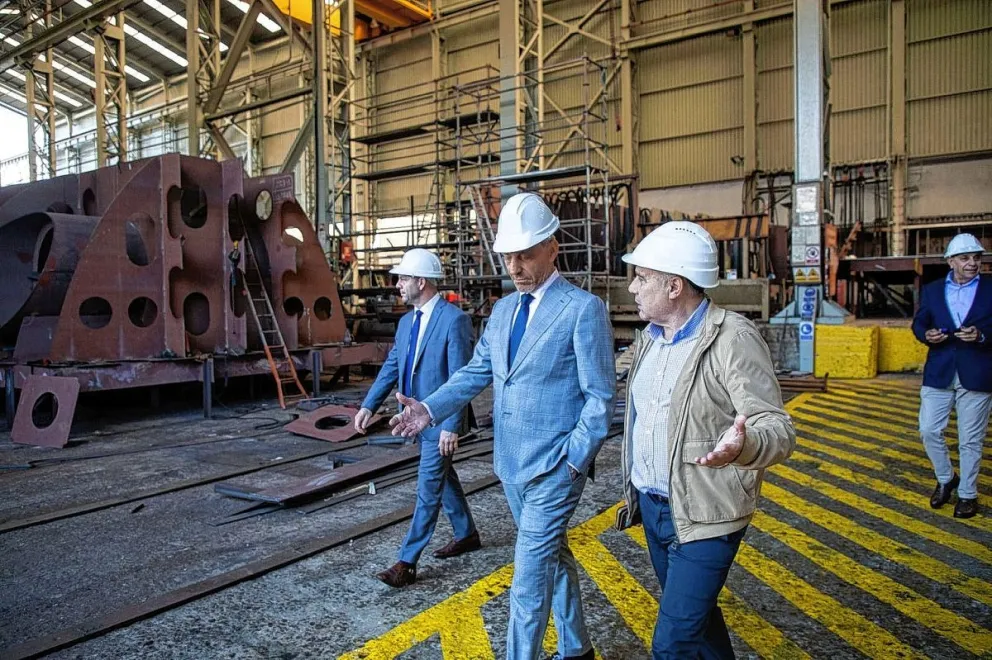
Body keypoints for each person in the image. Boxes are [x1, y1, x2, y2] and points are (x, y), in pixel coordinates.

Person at [389, 192, 615, 660]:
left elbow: (599, 398)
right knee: (553, 558)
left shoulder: (581, 309)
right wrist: (428, 410)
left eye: (525, 254)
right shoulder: (503, 311)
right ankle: (578, 650)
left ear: (552, 247)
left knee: (528, 581)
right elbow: (475, 372)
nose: (514, 265)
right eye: (508, 255)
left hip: (556, 467)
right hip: (511, 462)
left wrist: (575, 461)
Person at [613, 222, 796, 659]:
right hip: (656, 508)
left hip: (707, 513)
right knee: (700, 625)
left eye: (642, 279)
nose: (634, 288)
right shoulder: (650, 341)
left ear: (674, 286)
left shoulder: (733, 338)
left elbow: (778, 427)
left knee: (671, 644)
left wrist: (744, 445)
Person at [355, 248, 480, 587]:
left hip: (440, 422)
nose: (398, 284)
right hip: (413, 419)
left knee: (428, 487)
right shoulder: (406, 322)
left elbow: (461, 378)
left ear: (421, 281)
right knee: (443, 476)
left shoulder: (454, 320)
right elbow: (392, 366)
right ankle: (467, 533)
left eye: (404, 278)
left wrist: (451, 426)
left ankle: (406, 562)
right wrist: (369, 405)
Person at [911, 232, 991, 519]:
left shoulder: (991, 289)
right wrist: (926, 334)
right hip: (940, 369)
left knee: (970, 439)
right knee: (928, 430)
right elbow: (919, 323)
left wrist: (982, 335)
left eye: (977, 258)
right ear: (951, 261)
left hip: (978, 371)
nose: (973, 263)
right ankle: (946, 478)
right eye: (965, 258)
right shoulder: (932, 291)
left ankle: (968, 494)